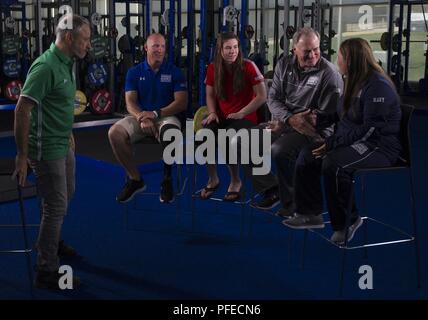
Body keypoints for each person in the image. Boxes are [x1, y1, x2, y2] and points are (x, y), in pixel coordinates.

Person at [284, 38, 402, 245]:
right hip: (355, 140)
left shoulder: (378, 87)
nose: (337, 62)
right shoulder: (353, 80)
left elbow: (370, 129)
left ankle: (348, 221)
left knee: (334, 165)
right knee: (307, 154)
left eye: (340, 57)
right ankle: (310, 212)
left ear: (351, 60)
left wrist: (332, 145)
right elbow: (342, 114)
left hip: (378, 147)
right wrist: (318, 118)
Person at [14, 14, 91, 289]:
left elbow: (58, 102)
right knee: (56, 204)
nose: (89, 45)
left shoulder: (68, 63)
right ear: (69, 38)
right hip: (45, 148)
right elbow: (22, 109)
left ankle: (51, 239)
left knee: (64, 196)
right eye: (85, 39)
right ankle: (46, 269)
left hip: (62, 141)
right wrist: (22, 156)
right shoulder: (45, 67)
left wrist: (68, 129)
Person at [242, 27, 343, 217]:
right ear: (294, 49)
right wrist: (287, 118)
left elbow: (321, 118)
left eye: (316, 49)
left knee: (280, 150)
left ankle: (292, 203)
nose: (313, 55)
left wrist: (285, 121)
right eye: (307, 51)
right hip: (285, 124)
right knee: (240, 141)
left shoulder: (329, 74)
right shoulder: (284, 64)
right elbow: (273, 99)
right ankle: (272, 189)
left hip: (315, 133)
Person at [108, 33, 187, 204]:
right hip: (141, 117)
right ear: (146, 48)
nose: (159, 50)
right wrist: (142, 118)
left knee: (171, 133)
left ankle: (166, 179)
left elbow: (181, 103)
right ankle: (135, 179)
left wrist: (156, 114)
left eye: (162, 46)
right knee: (114, 133)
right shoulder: (134, 72)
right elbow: (130, 102)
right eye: (155, 46)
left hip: (166, 116)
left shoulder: (174, 72)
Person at [199, 32, 267, 201]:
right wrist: (213, 112)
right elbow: (209, 95)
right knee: (205, 135)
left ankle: (235, 181)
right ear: (220, 50)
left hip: (246, 118)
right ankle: (213, 178)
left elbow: (261, 96)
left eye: (235, 47)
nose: (232, 51)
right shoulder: (213, 68)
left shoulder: (249, 66)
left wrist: (242, 112)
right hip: (223, 117)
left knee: (228, 138)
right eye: (228, 48)